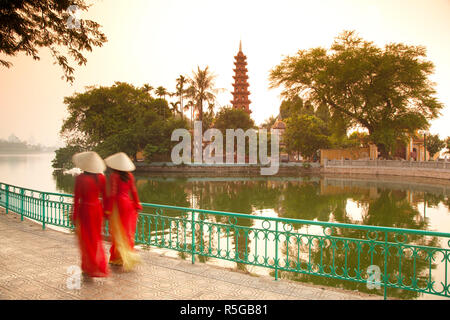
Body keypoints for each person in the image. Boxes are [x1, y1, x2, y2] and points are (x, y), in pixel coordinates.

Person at [71, 151, 109, 278]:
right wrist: (106, 213)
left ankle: (88, 266)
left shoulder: (80, 178)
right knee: (96, 238)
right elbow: (105, 197)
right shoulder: (101, 178)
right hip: (97, 210)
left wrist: (74, 216)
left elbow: (76, 199)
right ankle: (96, 265)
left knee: (86, 239)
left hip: (85, 210)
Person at [104, 152, 142, 271]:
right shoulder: (130, 176)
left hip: (118, 206)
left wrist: (108, 210)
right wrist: (137, 204)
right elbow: (134, 191)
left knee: (117, 232)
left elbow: (113, 194)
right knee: (126, 232)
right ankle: (125, 256)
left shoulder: (114, 176)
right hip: (128, 205)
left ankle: (117, 258)